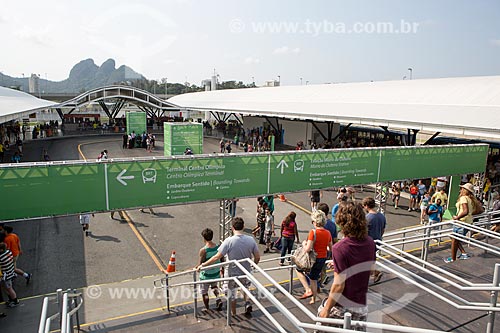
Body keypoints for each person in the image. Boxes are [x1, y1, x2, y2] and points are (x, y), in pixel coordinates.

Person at [317, 202, 376, 330]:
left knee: (320, 324)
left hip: (342, 307)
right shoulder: (370, 243)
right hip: (361, 305)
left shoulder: (340, 248)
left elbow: (339, 285)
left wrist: (326, 309)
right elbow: (371, 270)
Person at [197, 217, 260, 316]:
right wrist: (253, 266)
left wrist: (203, 265)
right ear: (243, 226)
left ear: (232, 228)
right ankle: (247, 302)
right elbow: (257, 257)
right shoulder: (251, 240)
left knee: (232, 294)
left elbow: (217, 257)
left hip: (231, 273)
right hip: (245, 271)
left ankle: (233, 315)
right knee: (245, 288)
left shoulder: (228, 241)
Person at [296, 210, 333, 305]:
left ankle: (308, 290)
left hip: (313, 259)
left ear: (315, 222)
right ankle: (313, 298)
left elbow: (308, 249)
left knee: (299, 270)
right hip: (322, 258)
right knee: (314, 278)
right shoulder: (328, 233)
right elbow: (330, 247)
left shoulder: (313, 232)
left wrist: (304, 244)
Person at [444, 183, 477, 263]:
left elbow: (465, 211)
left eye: (462, 189)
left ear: (466, 190)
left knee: (454, 239)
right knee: (455, 238)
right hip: (468, 222)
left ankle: (453, 258)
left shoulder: (463, 198)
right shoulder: (471, 199)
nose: (461, 190)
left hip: (461, 222)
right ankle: (463, 253)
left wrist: (457, 217)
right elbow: (477, 210)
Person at [197, 228, 223, 311]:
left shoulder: (203, 250)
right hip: (216, 273)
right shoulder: (218, 247)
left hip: (206, 275)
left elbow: (201, 263)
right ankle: (218, 299)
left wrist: (197, 268)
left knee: (204, 292)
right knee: (214, 286)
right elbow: (222, 260)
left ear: (204, 238)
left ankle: (207, 308)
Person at [362, 197, 386, 283]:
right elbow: (382, 230)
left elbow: (363, 232)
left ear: (366, 206)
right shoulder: (381, 216)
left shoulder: (367, 218)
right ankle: (375, 273)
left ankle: (373, 273)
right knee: (371, 260)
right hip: (378, 242)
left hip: (367, 244)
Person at [318, 203, 338, 286]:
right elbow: (335, 239)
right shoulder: (333, 224)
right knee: (324, 266)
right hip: (329, 250)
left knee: (317, 268)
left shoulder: (320, 225)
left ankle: (321, 280)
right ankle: (323, 277)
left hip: (321, 250)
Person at [0, 242, 19, 308]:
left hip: (7, 275)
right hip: (11, 272)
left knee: (9, 288)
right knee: (7, 288)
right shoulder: (9, 252)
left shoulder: (1, 257)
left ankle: (15, 300)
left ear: (1, 250)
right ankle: (11, 299)